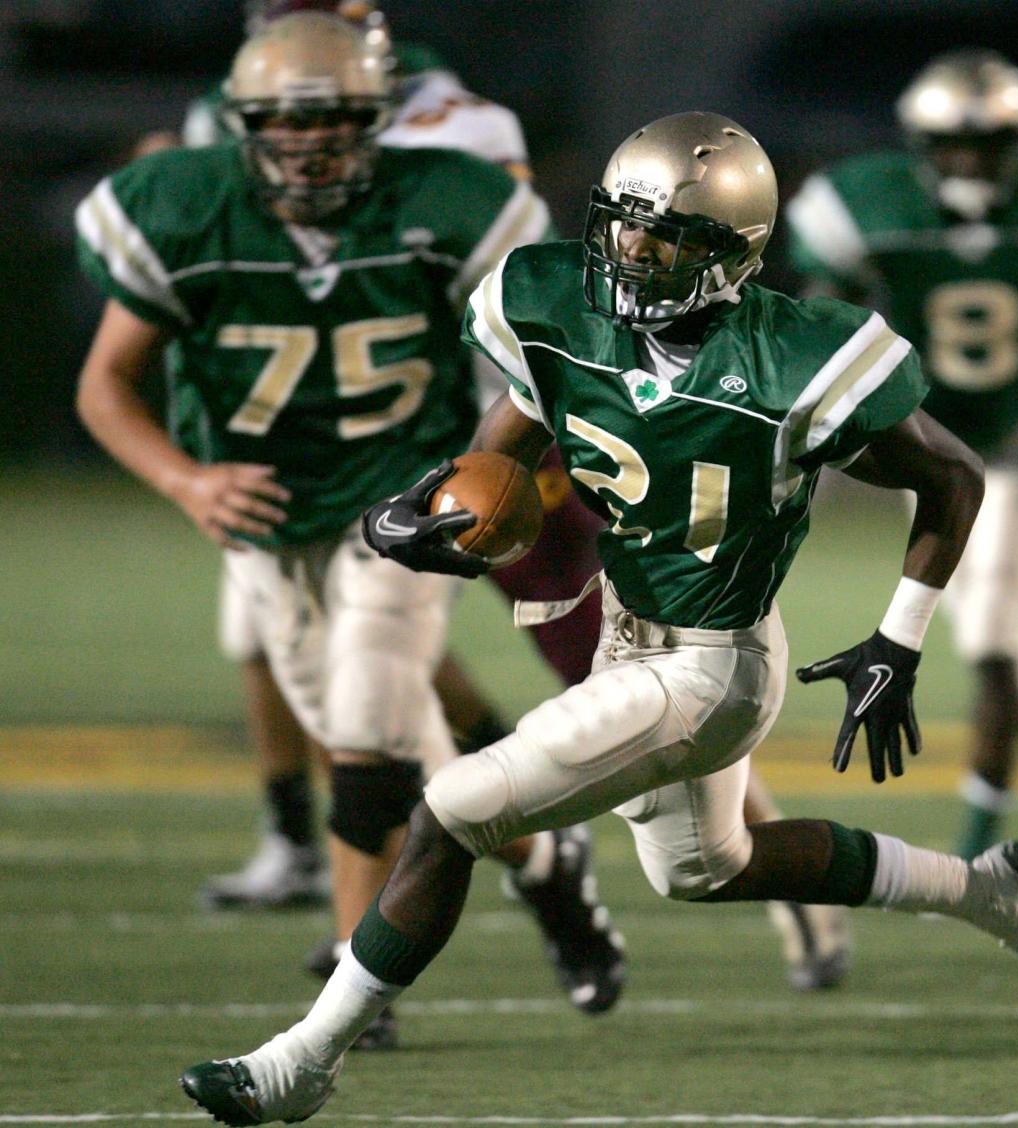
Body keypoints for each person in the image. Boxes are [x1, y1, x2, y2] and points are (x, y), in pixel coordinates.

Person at [180, 111, 1018, 1126]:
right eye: (621, 225)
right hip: (630, 631)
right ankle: (996, 893)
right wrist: (429, 509)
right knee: (708, 868)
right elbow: (499, 457)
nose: (631, 252)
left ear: (730, 254)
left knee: (451, 812)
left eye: (664, 237)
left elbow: (954, 476)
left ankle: (304, 1061)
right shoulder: (558, 311)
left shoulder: (798, 358)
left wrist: (901, 637)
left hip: (712, 668)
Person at [165, 0, 852, 989]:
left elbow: (543, 289)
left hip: (501, 443)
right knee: (378, 677)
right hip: (340, 452)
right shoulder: (233, 118)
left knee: (606, 685)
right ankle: (504, 837)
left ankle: (780, 892)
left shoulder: (457, 125)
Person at [74, 12, 627, 1048]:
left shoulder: (448, 201)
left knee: (370, 723)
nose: (311, 145)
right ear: (242, 126)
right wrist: (189, 483)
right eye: (287, 124)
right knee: (384, 729)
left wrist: (481, 468)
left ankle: (350, 984)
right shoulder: (183, 207)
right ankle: (549, 864)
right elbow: (106, 386)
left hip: (399, 496)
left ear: (377, 121)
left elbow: (533, 350)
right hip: (267, 511)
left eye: (334, 122)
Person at [785, 49, 1018, 892]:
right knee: (1000, 642)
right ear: (921, 142)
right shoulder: (870, 203)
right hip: (929, 450)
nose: (973, 162)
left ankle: (976, 845)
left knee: (989, 638)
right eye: (955, 144)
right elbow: (816, 313)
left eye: (991, 144)